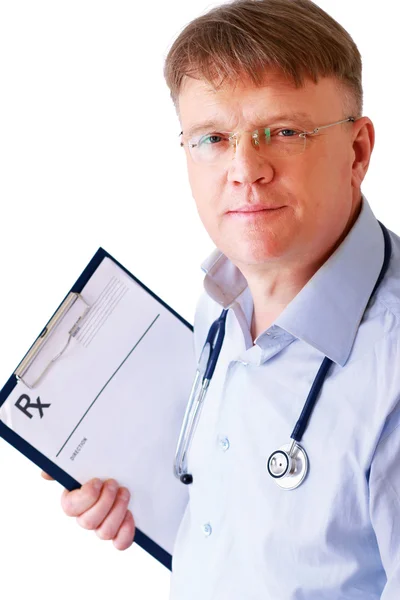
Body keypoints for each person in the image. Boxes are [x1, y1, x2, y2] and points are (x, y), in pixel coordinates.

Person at [42, 0, 400, 597]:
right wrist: (139, 497)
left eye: (284, 132)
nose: (244, 169)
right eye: (211, 138)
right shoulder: (220, 301)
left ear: (358, 151)